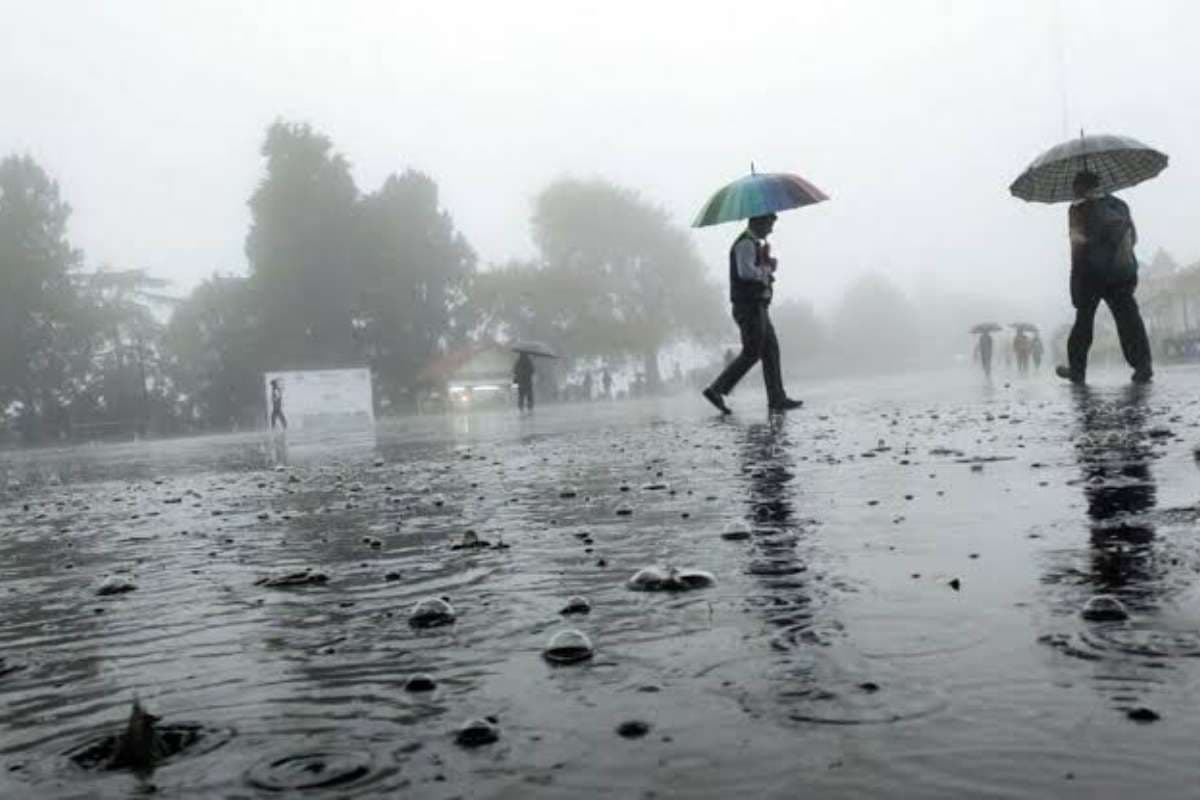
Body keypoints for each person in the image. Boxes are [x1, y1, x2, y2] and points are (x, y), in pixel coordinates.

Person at [1057, 171, 1152, 384]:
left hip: (1090, 275)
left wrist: (1075, 283)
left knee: (1083, 323)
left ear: (1081, 187)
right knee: (1129, 320)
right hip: (1120, 274)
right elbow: (1133, 238)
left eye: (1075, 187)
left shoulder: (1077, 209)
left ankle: (1077, 370)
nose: (1073, 192)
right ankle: (1143, 365)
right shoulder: (1119, 205)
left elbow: (1077, 248)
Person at [702, 214, 804, 414]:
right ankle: (716, 389)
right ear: (758, 222)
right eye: (769, 224)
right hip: (748, 307)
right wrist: (766, 268)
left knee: (771, 350)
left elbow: (754, 270)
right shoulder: (745, 244)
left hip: (757, 306)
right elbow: (746, 272)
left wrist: (766, 263)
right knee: (752, 352)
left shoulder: (753, 244)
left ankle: (777, 397)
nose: (771, 229)